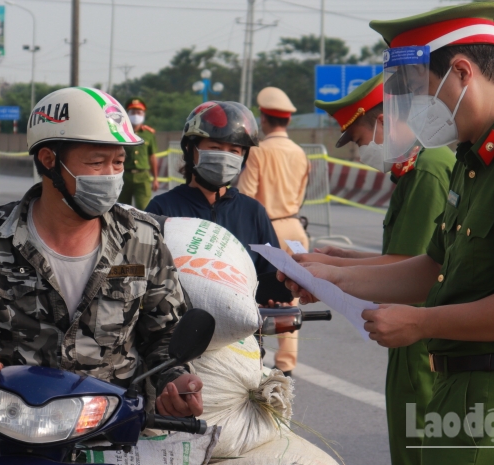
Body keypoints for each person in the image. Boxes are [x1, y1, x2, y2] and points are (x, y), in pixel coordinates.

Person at [280, 2, 494, 464]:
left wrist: (421, 323)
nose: (414, 112)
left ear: (461, 71)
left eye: (418, 93)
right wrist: (328, 278)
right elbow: (433, 269)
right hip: (456, 388)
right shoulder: (472, 160)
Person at [0, 87, 203, 421]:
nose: (112, 177)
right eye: (97, 163)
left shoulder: (142, 239)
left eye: (118, 162)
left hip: (113, 427)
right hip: (10, 422)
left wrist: (175, 381)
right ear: (49, 160)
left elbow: (166, 336)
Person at [305, 73, 454, 465]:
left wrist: (329, 267)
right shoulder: (411, 170)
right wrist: (340, 257)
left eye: (359, 139)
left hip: (422, 331)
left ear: (385, 122)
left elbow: (409, 268)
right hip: (410, 327)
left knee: (421, 441)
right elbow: (404, 254)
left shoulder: (428, 168)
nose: (359, 152)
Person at [146, 101, 277, 309]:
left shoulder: (253, 212)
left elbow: (270, 277)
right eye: (215, 148)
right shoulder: (162, 210)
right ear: (190, 149)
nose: (225, 157)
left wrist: (275, 298)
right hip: (178, 333)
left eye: (234, 151)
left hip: (242, 334)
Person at [237, 86, 310, 375]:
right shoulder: (300, 152)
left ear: (263, 120)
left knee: (254, 297)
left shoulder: (258, 151)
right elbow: (302, 194)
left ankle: (251, 359)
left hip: (267, 229)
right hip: (295, 228)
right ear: (288, 121)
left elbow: (247, 196)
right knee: (289, 298)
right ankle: (286, 365)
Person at [120, 97, 159, 209]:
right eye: (133, 112)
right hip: (124, 176)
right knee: (122, 209)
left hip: (143, 176)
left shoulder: (149, 134)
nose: (135, 115)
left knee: (144, 209)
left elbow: (152, 157)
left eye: (139, 112)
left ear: (143, 115)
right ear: (128, 114)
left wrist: (155, 178)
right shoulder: (122, 133)